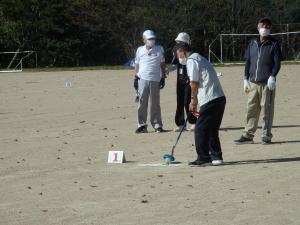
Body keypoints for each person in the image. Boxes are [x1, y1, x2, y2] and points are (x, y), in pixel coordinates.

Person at [176, 43, 226, 166]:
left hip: (210, 98)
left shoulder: (191, 60)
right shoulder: (201, 58)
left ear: (183, 52)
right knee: (212, 129)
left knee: (200, 128)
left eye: (178, 55)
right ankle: (216, 157)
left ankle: (203, 157)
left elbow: (194, 82)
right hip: (220, 97)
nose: (179, 58)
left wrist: (193, 100)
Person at [234, 17, 282, 144]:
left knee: (267, 110)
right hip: (253, 83)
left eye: (267, 26)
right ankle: (248, 135)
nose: (264, 28)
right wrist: (245, 79)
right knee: (251, 109)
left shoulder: (274, 44)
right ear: (258, 27)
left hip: (268, 83)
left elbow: (277, 63)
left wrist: (273, 76)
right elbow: (248, 62)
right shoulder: (252, 43)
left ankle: (266, 136)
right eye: (263, 25)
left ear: (270, 29)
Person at [134, 30, 167, 133]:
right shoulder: (139, 50)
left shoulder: (159, 49)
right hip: (142, 79)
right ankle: (142, 125)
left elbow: (162, 64)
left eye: (153, 39)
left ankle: (157, 125)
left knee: (155, 103)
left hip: (155, 79)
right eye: (149, 39)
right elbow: (137, 64)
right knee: (142, 102)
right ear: (144, 40)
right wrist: (135, 78)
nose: (151, 41)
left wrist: (163, 77)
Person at [171, 32, 197, 132]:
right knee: (180, 102)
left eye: (180, 42)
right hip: (180, 81)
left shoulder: (191, 54)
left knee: (188, 102)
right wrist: (168, 70)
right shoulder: (177, 51)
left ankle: (194, 122)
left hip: (189, 81)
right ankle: (180, 123)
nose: (179, 44)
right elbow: (175, 64)